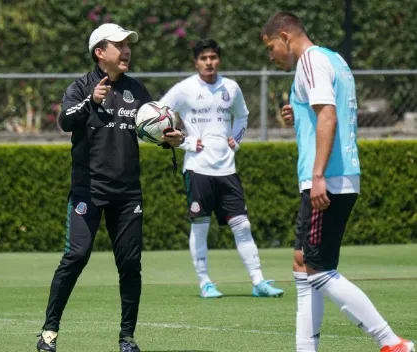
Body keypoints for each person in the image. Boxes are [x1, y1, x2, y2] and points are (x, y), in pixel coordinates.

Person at [261, 12, 415, 352]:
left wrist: (317, 177)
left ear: (285, 37)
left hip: (326, 178)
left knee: (317, 270)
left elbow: (328, 116)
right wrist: (296, 113)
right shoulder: (333, 59)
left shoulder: (310, 61)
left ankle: (391, 343)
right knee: (302, 262)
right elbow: (324, 113)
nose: (271, 57)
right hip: (335, 175)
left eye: (271, 47)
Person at [36, 23, 184, 352]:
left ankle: (127, 337)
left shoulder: (137, 90)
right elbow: (65, 121)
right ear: (100, 53)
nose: (127, 50)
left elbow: (152, 128)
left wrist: (172, 138)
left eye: (129, 44)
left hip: (127, 194)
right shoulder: (80, 88)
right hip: (87, 192)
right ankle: (49, 331)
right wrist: (91, 100)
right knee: (76, 256)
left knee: (130, 265)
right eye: (120, 45)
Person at [159, 39, 284, 299]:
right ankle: (205, 282)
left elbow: (242, 115)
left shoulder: (231, 87)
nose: (209, 63)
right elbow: (157, 116)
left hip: (227, 169)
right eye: (204, 58)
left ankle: (258, 281)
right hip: (197, 168)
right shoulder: (184, 89)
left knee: (243, 226)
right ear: (196, 62)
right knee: (200, 227)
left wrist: (235, 140)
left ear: (219, 59)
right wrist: (186, 141)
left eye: (213, 57)